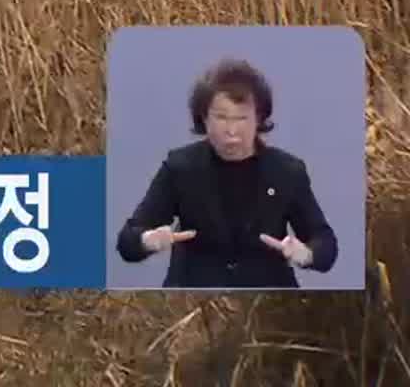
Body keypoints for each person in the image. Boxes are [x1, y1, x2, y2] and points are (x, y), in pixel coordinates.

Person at [114, 57, 338, 288]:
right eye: (221, 117)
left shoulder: (287, 171)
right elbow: (127, 241)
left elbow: (325, 243)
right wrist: (147, 241)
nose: (232, 131)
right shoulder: (180, 167)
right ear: (204, 118)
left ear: (259, 118)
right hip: (194, 293)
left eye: (242, 118)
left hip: (265, 295)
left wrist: (307, 254)